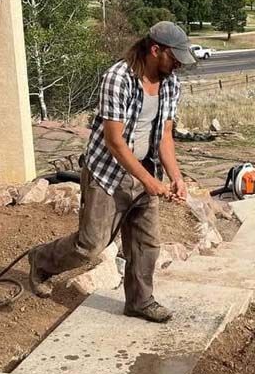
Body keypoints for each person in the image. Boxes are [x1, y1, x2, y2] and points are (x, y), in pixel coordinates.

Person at [28, 21, 195, 322]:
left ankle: (140, 301)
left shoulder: (171, 83)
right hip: (107, 174)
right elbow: (115, 142)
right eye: (175, 57)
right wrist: (150, 182)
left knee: (147, 244)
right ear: (155, 50)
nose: (179, 64)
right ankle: (41, 260)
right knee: (90, 246)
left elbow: (165, 136)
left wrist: (175, 177)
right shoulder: (118, 78)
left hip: (145, 170)